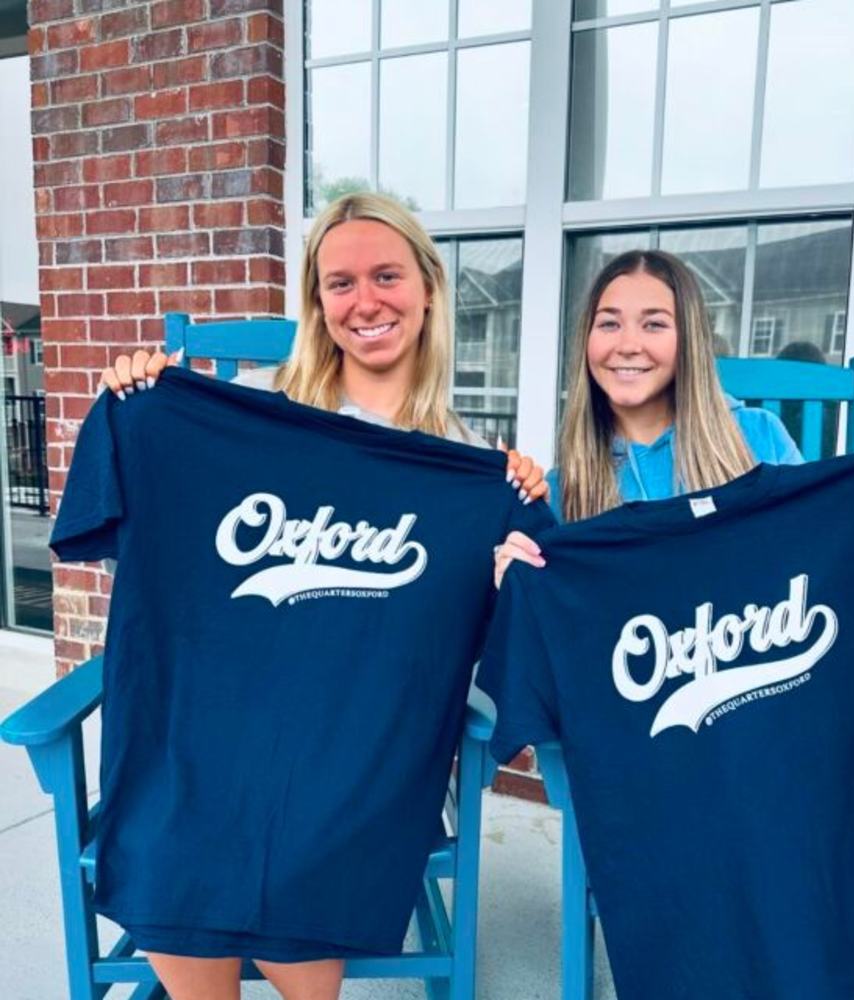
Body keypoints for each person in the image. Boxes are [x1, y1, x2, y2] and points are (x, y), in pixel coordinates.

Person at [96, 192, 548, 1000]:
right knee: (179, 821)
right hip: (227, 718)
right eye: (340, 283)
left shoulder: (470, 465)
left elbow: (493, 644)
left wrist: (511, 561)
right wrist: (142, 408)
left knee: (306, 836)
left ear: (428, 289)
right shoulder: (248, 414)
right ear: (317, 301)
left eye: (386, 276)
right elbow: (140, 548)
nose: (365, 301)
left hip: (363, 743)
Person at [494, 249, 854, 585]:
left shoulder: (758, 438)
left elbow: (825, 550)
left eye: (654, 325)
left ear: (690, 340)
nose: (627, 344)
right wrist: (510, 582)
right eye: (608, 324)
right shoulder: (565, 488)